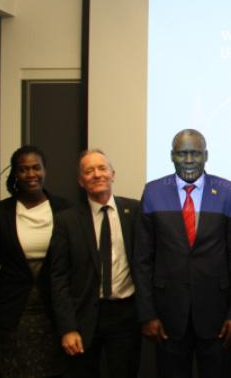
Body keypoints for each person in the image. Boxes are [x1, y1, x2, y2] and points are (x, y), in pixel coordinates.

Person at [135, 129, 231, 378]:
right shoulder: (153, 192)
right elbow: (142, 259)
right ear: (172, 156)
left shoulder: (227, 191)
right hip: (167, 316)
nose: (188, 160)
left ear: (206, 156)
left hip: (217, 315)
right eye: (182, 153)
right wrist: (147, 314)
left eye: (195, 153)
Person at [48, 149, 141, 378]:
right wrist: (68, 328)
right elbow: (58, 277)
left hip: (126, 315)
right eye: (89, 171)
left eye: (102, 168)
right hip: (84, 317)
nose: (97, 174)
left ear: (113, 174)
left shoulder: (135, 211)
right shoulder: (66, 220)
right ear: (81, 181)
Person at [0, 146, 72, 378]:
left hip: (54, 312)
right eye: (23, 169)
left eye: (36, 168)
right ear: (15, 174)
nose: (31, 174)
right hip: (13, 312)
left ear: (45, 170)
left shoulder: (66, 210)